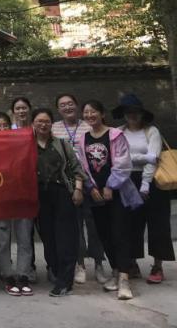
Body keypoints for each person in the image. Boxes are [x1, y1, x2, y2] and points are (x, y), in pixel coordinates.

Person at [76, 99, 140, 301]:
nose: (89, 115)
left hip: (117, 193)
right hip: (95, 194)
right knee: (104, 235)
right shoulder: (83, 138)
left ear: (102, 114)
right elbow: (82, 166)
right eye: (86, 112)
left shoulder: (115, 135)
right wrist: (91, 187)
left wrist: (110, 186)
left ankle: (124, 279)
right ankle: (116, 271)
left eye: (93, 111)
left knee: (120, 233)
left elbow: (123, 163)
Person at [114, 94, 172, 283]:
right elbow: (118, 158)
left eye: (136, 111)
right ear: (123, 114)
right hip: (126, 180)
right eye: (128, 111)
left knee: (158, 224)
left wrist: (145, 183)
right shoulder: (118, 132)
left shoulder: (152, 131)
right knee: (130, 223)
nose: (132, 115)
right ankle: (131, 263)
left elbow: (153, 158)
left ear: (142, 113)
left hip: (153, 181)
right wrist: (143, 157)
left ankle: (157, 266)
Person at [30, 108, 85, 296]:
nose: (43, 124)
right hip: (39, 196)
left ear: (51, 123)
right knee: (48, 237)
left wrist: (78, 189)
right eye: (39, 121)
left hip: (61, 193)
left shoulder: (62, 144)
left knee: (65, 237)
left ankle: (65, 281)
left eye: (46, 121)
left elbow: (76, 168)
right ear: (33, 124)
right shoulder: (28, 145)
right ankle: (56, 270)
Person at [52, 92, 104, 285]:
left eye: (70, 103)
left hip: (91, 183)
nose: (67, 107)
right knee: (75, 226)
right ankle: (80, 264)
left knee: (94, 225)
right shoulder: (54, 128)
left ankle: (99, 263)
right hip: (67, 184)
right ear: (58, 109)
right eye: (63, 105)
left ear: (76, 105)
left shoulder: (88, 126)